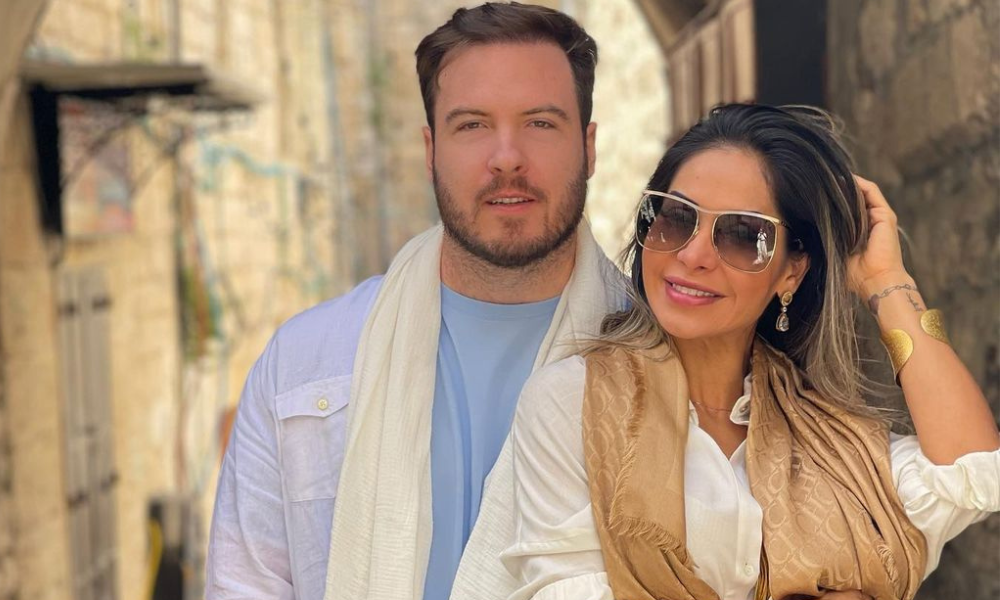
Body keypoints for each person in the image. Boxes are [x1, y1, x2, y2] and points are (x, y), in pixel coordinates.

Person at [451, 104, 1000, 600]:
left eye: (743, 234)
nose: (693, 254)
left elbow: (975, 473)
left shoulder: (832, 441)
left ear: (791, 271)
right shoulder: (574, 402)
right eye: (675, 217)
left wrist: (886, 281)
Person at [205, 4, 626, 600]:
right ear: (430, 150)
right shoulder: (303, 363)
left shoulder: (666, 363)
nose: (507, 157)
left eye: (540, 122)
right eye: (472, 125)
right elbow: (243, 586)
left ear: (589, 146)